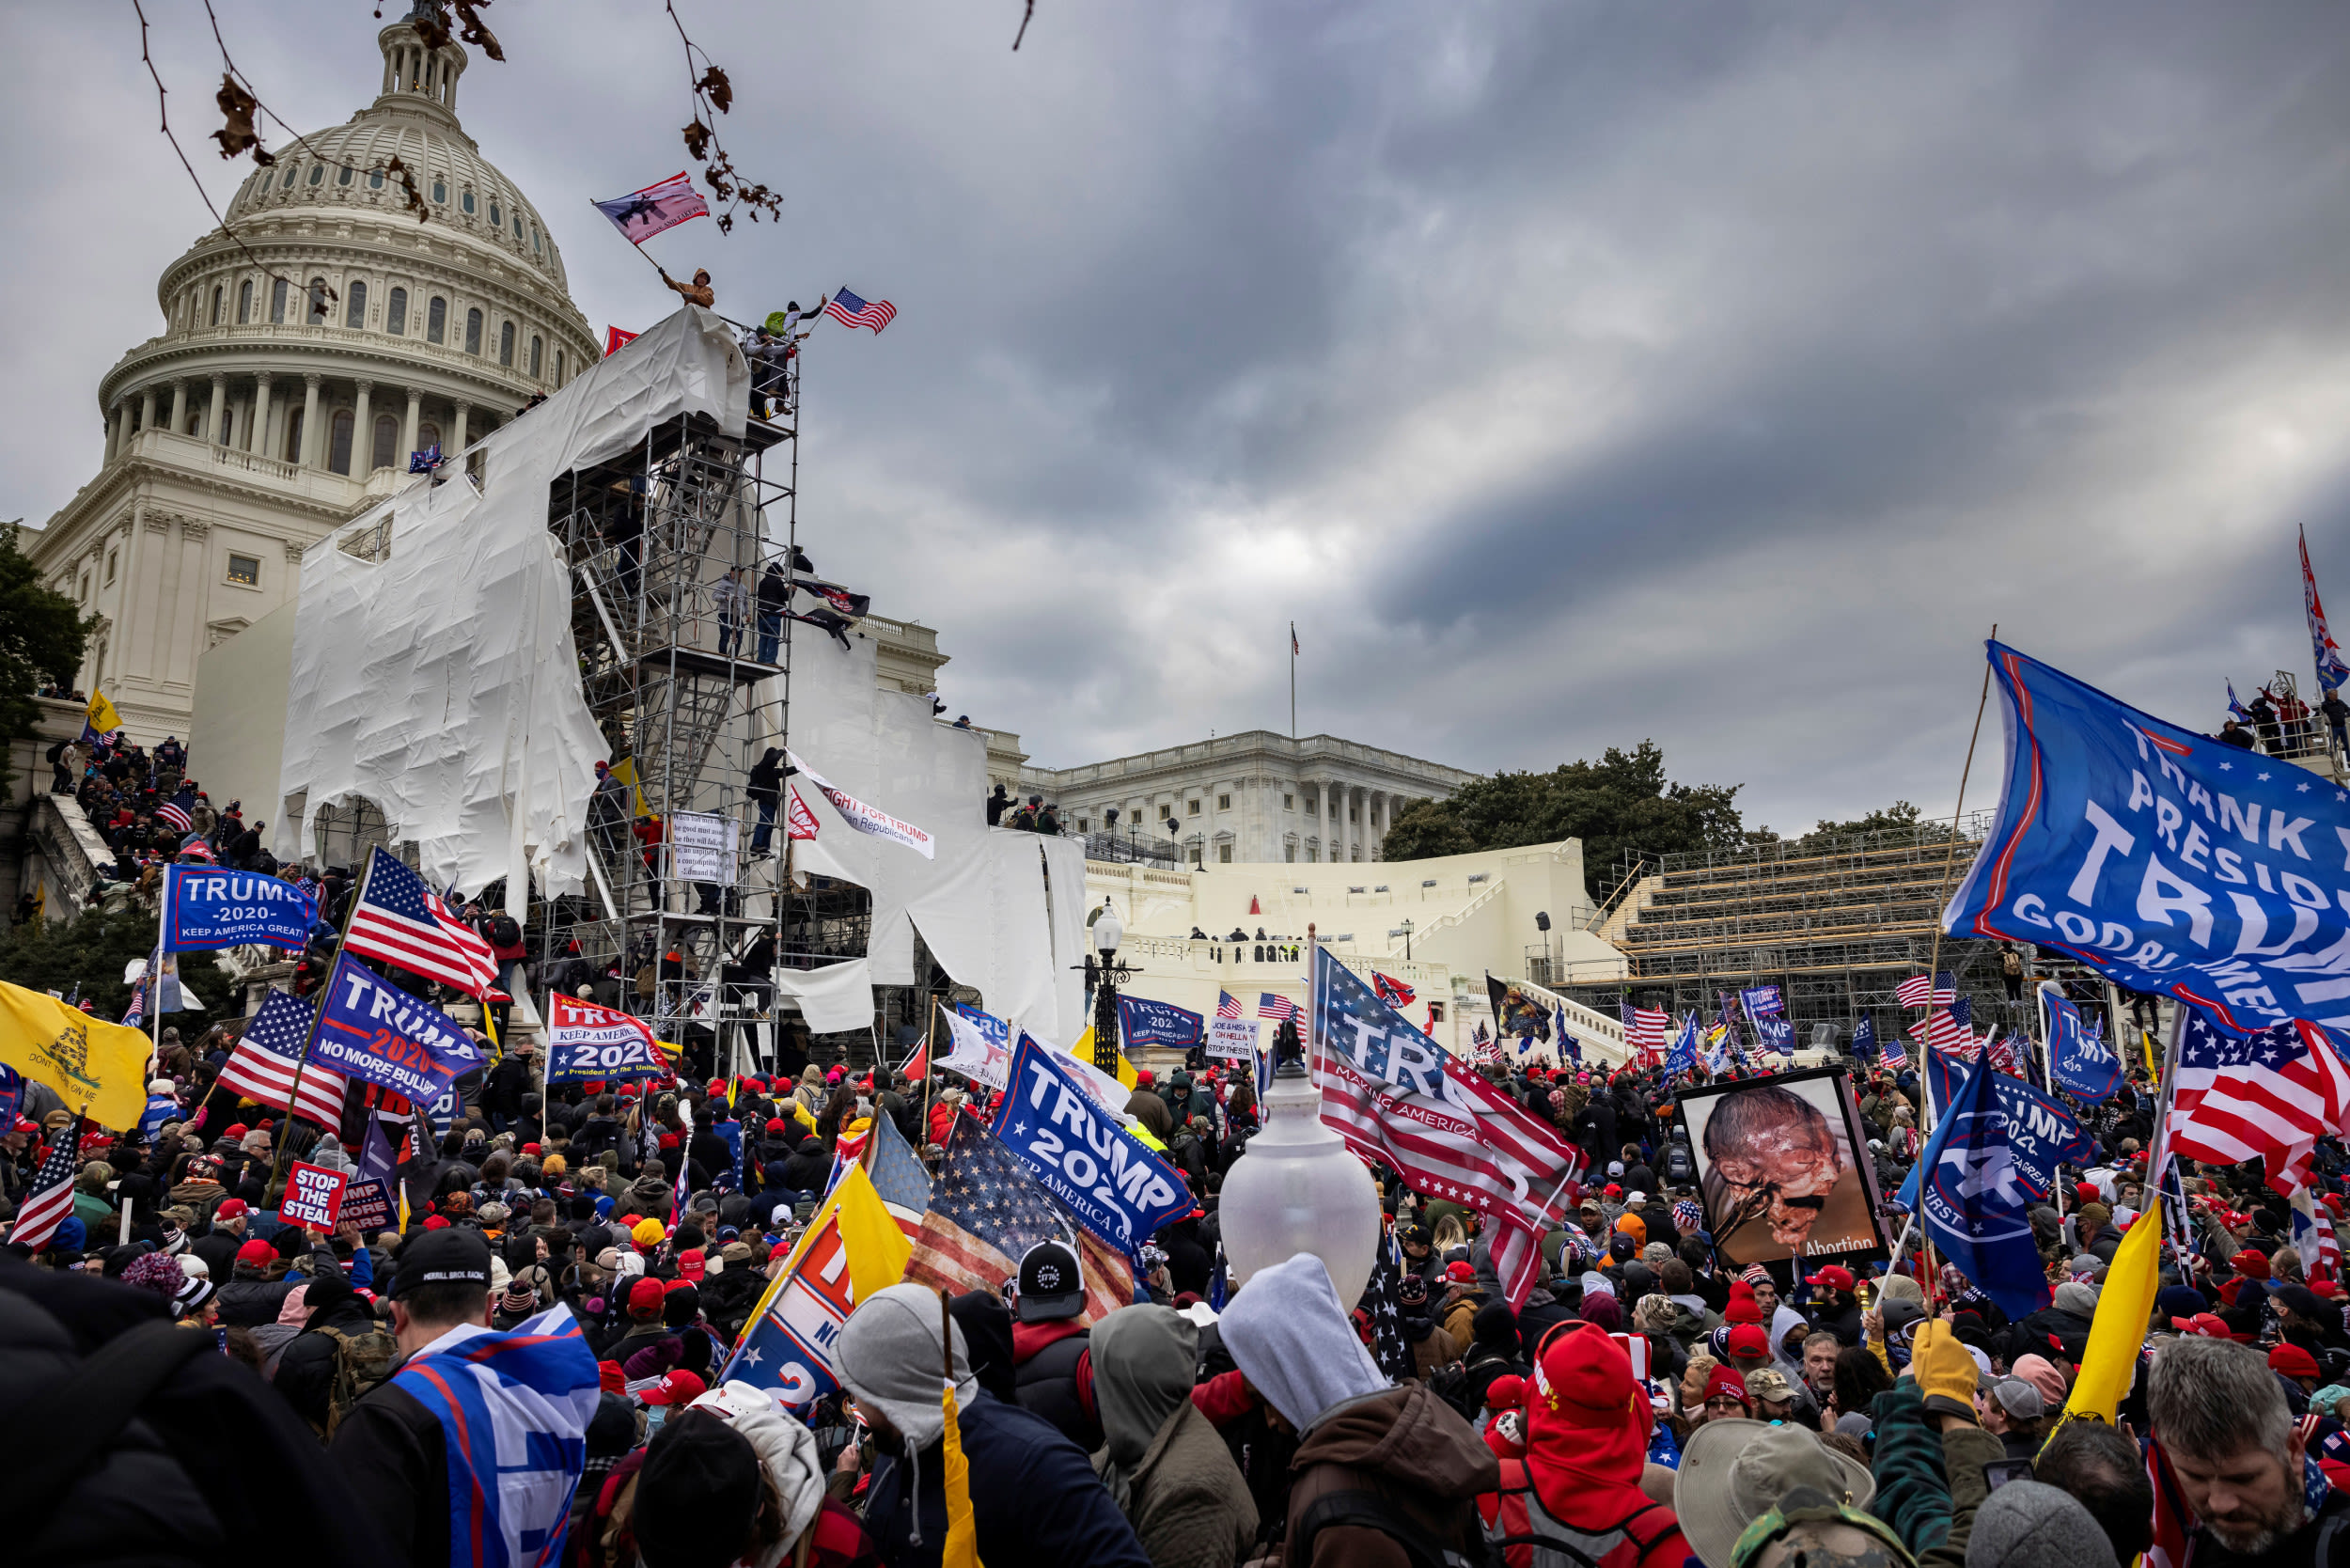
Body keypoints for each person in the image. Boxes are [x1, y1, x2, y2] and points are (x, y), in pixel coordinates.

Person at [836, 1281, 1152, 1566]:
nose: (856, 1403)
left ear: (891, 1387)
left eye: (860, 1388)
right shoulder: (893, 1454)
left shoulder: (1038, 1464)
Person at [1220, 1250, 1497, 1566]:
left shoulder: (1335, 1502)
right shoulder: (1417, 1419)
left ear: (1296, 1380)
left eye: (1268, 1396)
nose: (1269, 1418)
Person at [1478, 1321, 1687, 1567]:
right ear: (1635, 1413)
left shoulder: (1488, 1489)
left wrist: (1508, 1440)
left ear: (1536, 1401)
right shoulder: (1666, 1538)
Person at [2150, 1333, 2348, 1566]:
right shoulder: (2186, 1537)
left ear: (2293, 1450)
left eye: (2243, 1479)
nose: (2220, 1504)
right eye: (2195, 1477)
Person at [1089, 1304, 1258, 1567]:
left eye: (1101, 1369)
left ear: (1133, 1379)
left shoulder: (1187, 1495)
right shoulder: (1139, 1428)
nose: (1093, 1384)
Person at [755, 560, 790, 666]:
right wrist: (791, 591)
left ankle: (761, 659)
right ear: (777, 572)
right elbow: (785, 596)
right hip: (773, 613)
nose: (781, 577)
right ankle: (770, 661)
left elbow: (771, 594)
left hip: (761, 614)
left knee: (763, 638)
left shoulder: (762, 582)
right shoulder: (777, 581)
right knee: (773, 638)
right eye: (781, 575)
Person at [712, 565, 749, 659]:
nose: (740, 574)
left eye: (741, 572)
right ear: (732, 572)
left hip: (737, 616)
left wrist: (747, 613)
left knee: (739, 638)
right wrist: (726, 597)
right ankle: (722, 657)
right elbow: (714, 595)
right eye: (738, 572)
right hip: (725, 613)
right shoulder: (724, 582)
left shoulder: (743, 588)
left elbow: (745, 602)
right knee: (725, 636)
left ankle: (733, 657)